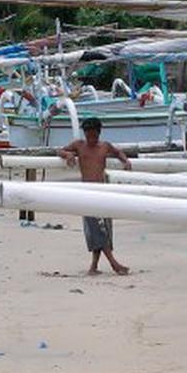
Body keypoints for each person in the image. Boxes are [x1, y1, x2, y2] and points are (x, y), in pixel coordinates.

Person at [58, 117, 131, 275]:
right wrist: (68, 156)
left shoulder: (104, 146)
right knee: (95, 229)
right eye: (89, 135)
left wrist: (126, 161)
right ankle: (114, 264)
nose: (91, 139)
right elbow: (60, 150)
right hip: (86, 193)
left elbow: (118, 153)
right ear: (85, 134)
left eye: (94, 135)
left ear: (99, 133)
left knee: (103, 229)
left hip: (103, 192)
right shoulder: (79, 145)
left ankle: (94, 266)